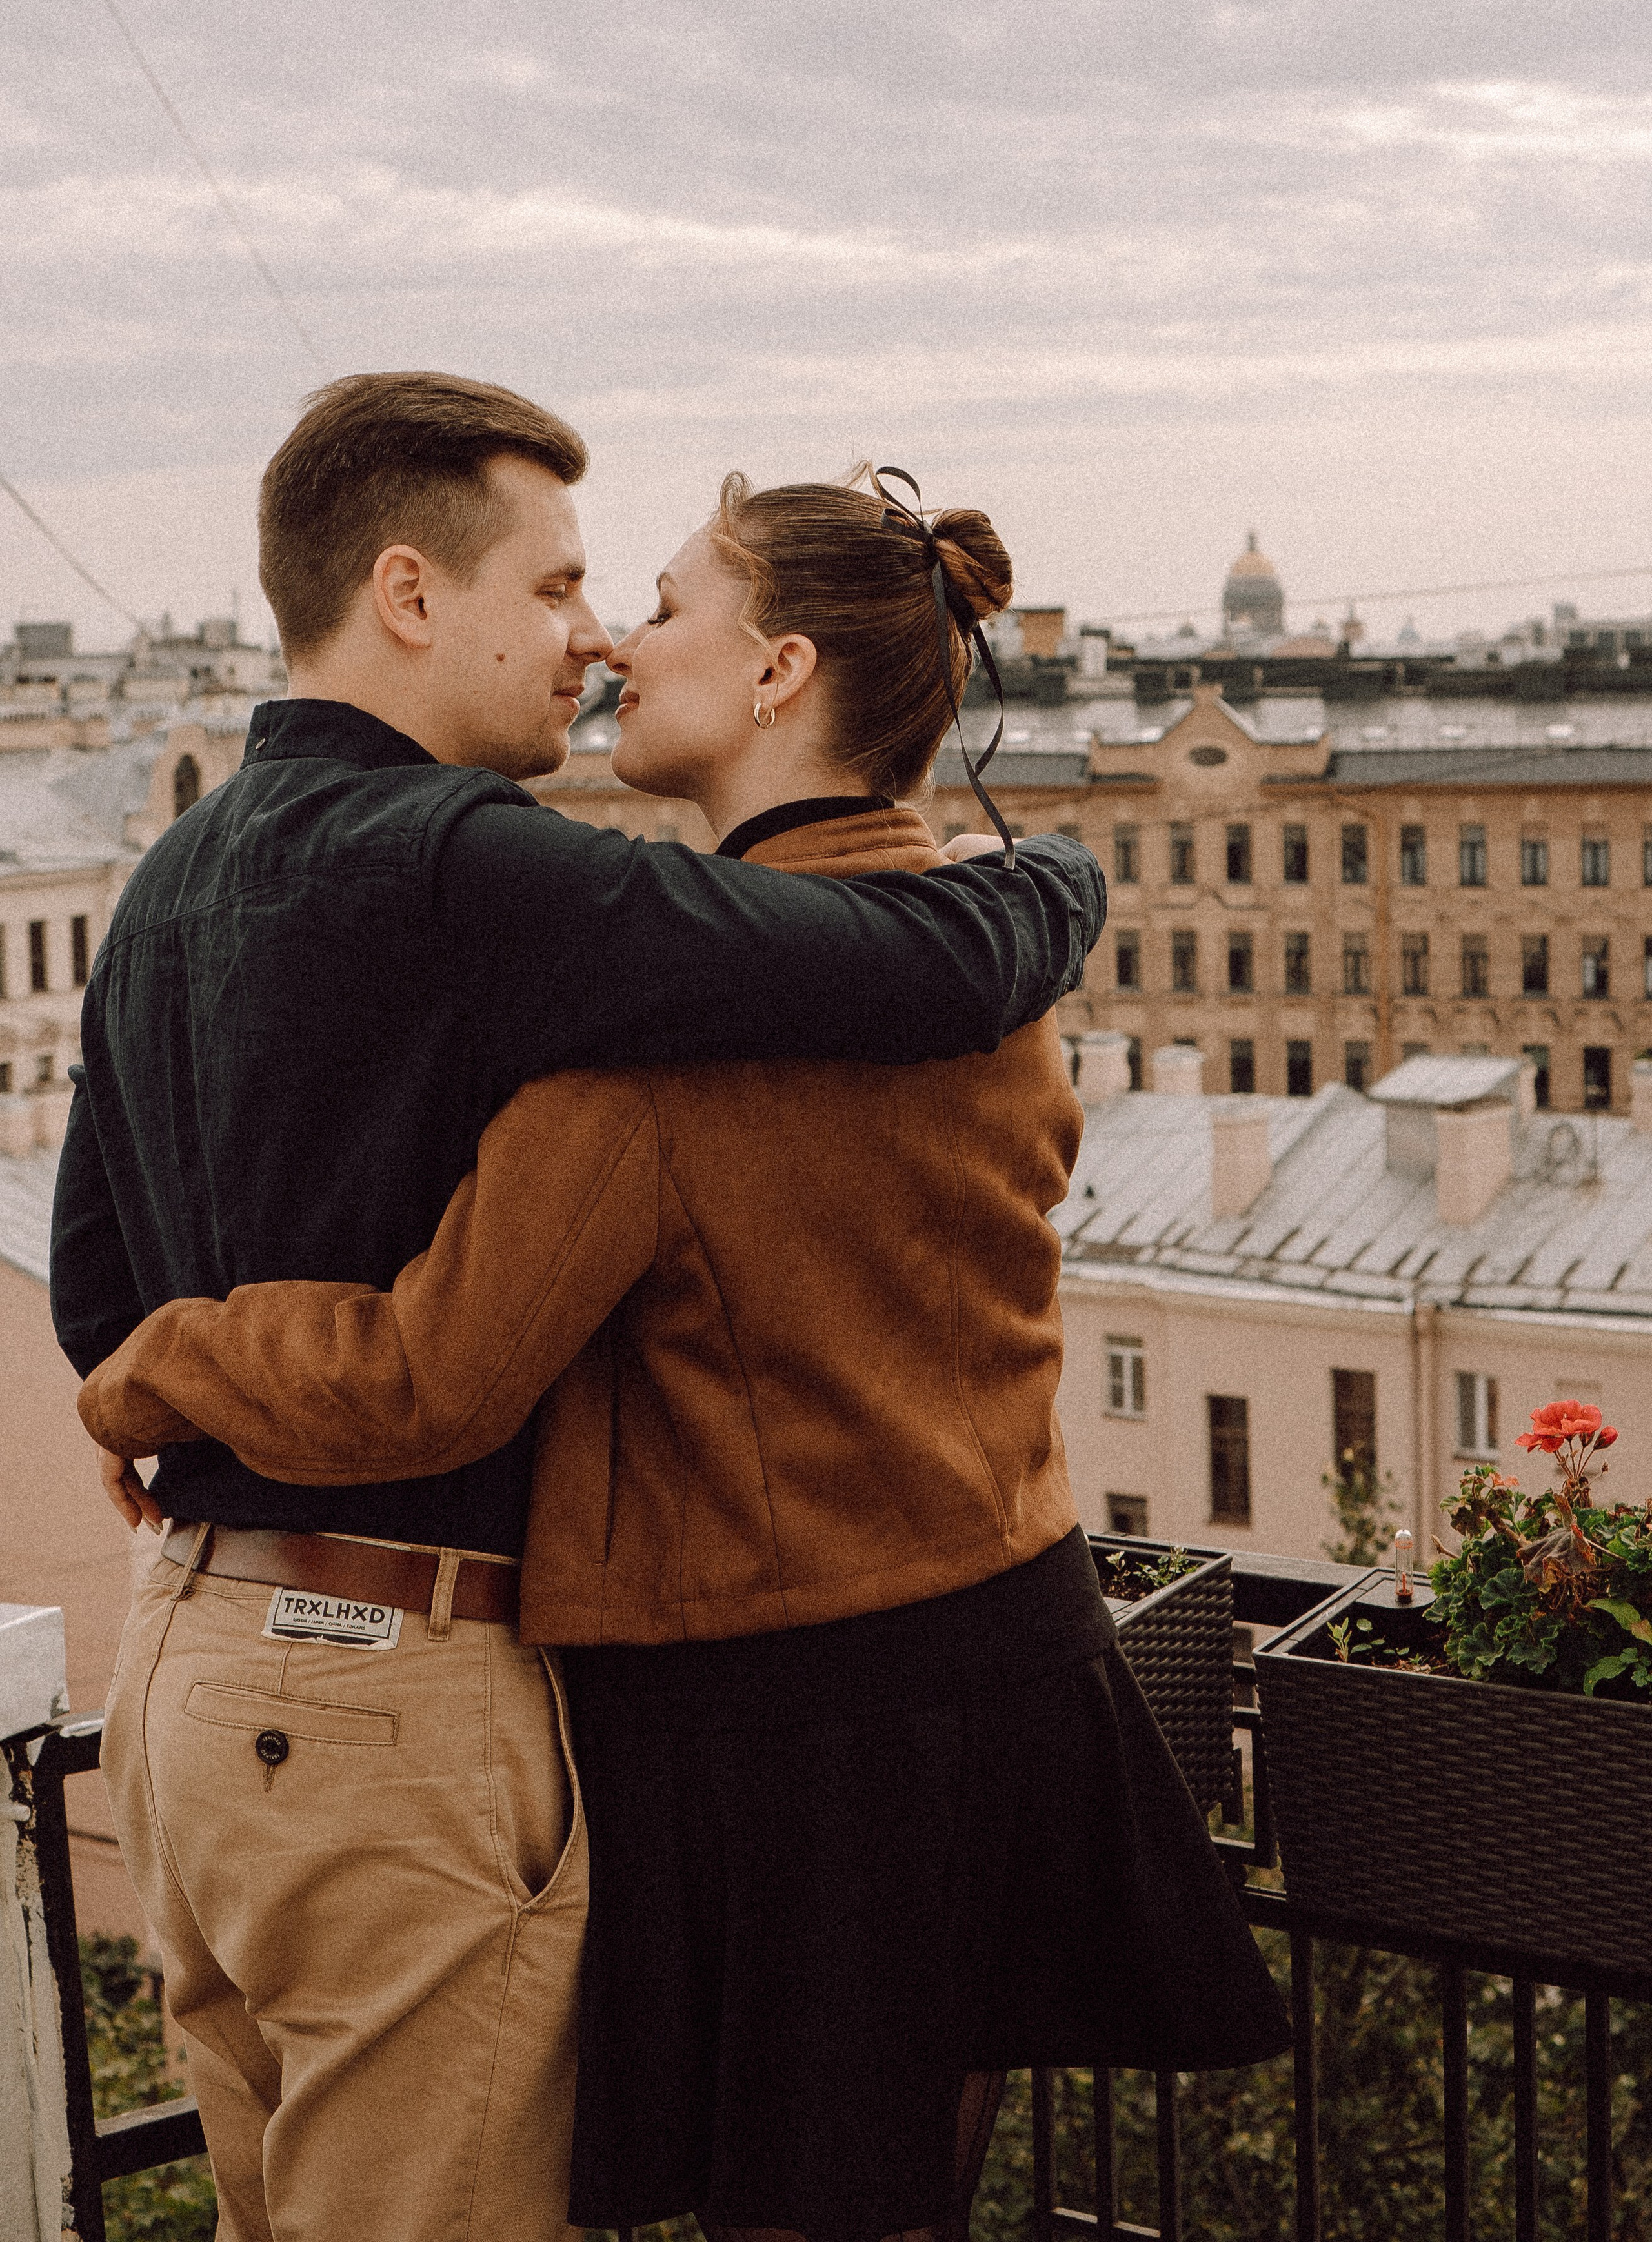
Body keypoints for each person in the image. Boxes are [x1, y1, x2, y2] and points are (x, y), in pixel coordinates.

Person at [81, 466, 1288, 2242]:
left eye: (654, 605)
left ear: (782, 669)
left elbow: (433, 1377)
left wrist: (151, 1371)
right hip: (1013, 1657)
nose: (610, 649)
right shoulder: (986, 975)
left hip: (786, 1724)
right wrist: (1053, 875)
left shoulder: (660, 1047)